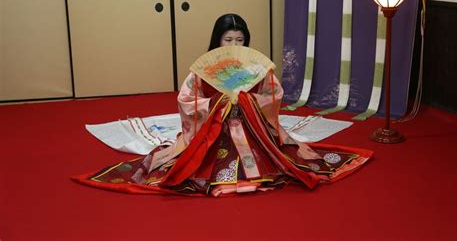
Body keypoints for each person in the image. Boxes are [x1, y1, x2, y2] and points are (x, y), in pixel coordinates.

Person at [73, 13, 372, 196]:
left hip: (252, 127)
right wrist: (217, 107)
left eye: (240, 39)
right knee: (194, 159)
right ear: (217, 41)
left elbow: (273, 97)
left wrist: (247, 100)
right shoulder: (201, 72)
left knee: (280, 154)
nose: (234, 45)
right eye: (228, 39)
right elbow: (187, 101)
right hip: (213, 130)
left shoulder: (258, 69)